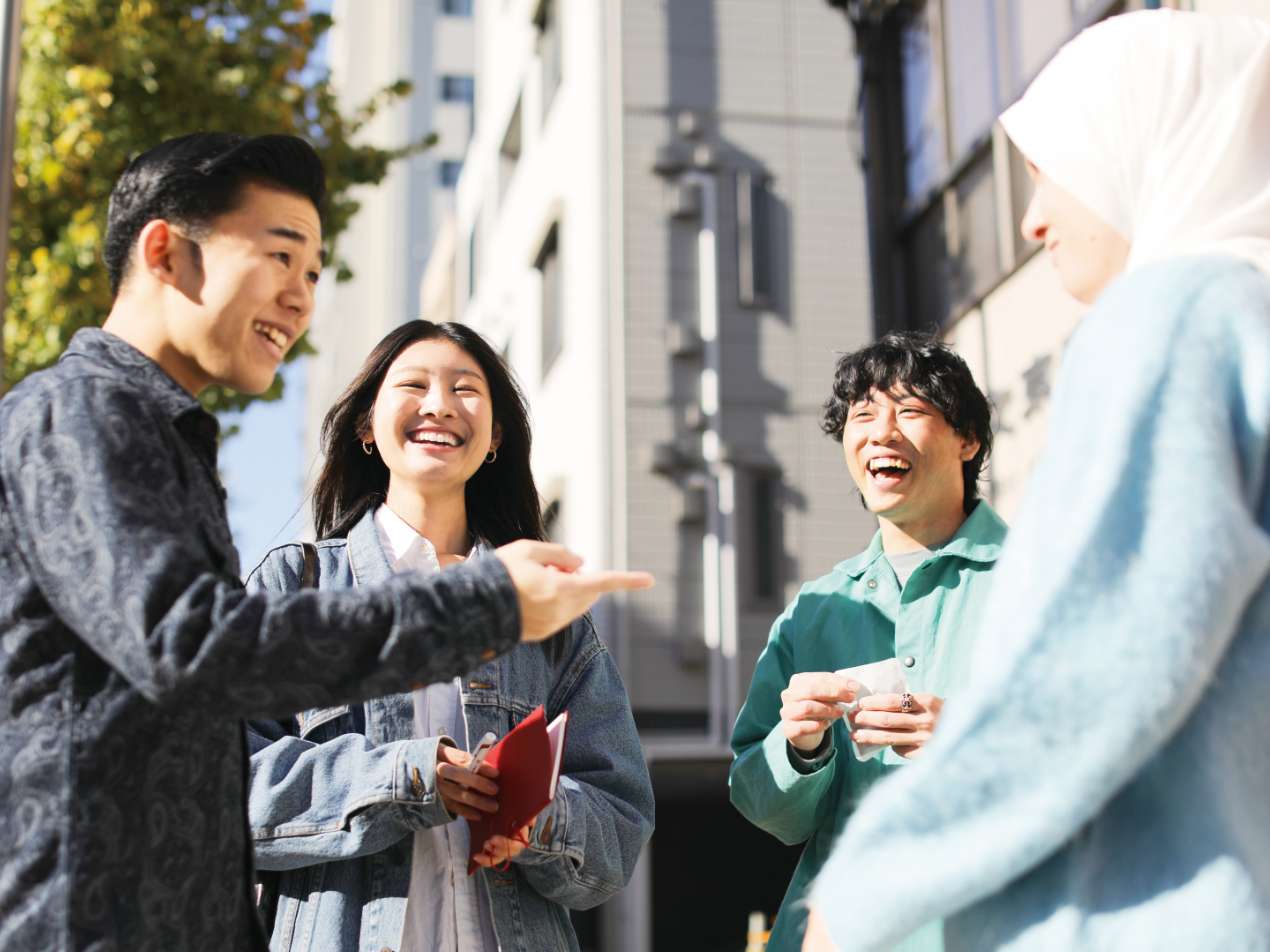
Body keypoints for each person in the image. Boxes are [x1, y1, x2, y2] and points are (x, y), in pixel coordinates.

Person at [0, 133, 652, 952]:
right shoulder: (89, 415)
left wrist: (534, 815)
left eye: (313, 273)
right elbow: (199, 654)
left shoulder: (161, 440)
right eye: (281, 257)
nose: (302, 297)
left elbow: (618, 822)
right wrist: (427, 734)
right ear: (165, 251)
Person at [803, 9, 1270, 951]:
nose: (1031, 217)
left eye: (1054, 168)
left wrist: (858, 898)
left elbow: (1082, 676)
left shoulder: (1172, 320)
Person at [245, 319, 655, 952]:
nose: (439, 404)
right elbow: (227, 787)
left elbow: (620, 828)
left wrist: (534, 816)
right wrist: (410, 778)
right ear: (366, 427)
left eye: (466, 389)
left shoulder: (544, 608)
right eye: (413, 384)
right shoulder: (297, 585)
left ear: (493, 438)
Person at [728, 332, 1006, 951]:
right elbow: (763, 804)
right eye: (862, 415)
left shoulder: (1042, 579)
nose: (881, 432)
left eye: (910, 411)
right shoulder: (815, 609)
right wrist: (798, 747)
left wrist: (971, 745)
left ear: (969, 440)